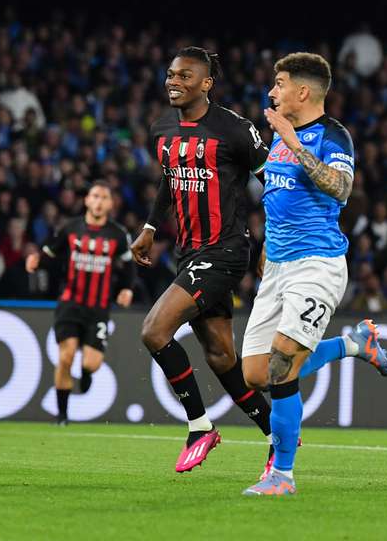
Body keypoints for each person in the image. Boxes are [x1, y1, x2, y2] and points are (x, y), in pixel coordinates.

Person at [241, 53, 387, 496]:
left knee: (283, 363)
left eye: (280, 83)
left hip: (317, 263)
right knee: (254, 374)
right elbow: (278, 198)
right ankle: (353, 344)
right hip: (279, 267)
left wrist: (295, 141)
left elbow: (341, 188)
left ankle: (282, 476)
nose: (272, 92)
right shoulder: (280, 138)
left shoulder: (332, 135)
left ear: (302, 92)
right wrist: (268, 249)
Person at [130, 47, 277, 473]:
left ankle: (199, 427)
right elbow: (169, 180)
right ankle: (276, 434)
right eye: (170, 74)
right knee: (220, 358)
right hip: (188, 253)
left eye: (185, 76)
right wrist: (152, 228)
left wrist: (273, 241)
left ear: (206, 83)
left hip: (226, 250)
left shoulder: (234, 130)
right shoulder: (161, 128)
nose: (173, 82)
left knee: (155, 331)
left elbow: (275, 186)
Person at [25, 181, 134, 425]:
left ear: (110, 204)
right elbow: (50, 254)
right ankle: (62, 415)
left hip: (99, 308)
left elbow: (128, 267)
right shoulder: (70, 228)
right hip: (70, 303)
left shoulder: (117, 234)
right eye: (94, 196)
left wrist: (127, 288)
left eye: (104, 197)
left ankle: (86, 374)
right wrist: (36, 261)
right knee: (66, 357)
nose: (98, 201)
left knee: (92, 363)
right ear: (86, 200)